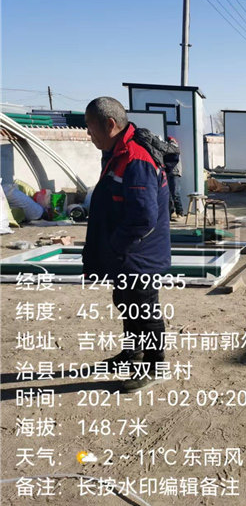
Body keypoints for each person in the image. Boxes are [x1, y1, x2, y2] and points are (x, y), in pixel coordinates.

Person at [82, 96, 171, 393]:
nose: (88, 133)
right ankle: (133, 353)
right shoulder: (115, 153)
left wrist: (114, 245)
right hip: (125, 253)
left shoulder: (135, 159)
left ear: (110, 124)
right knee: (126, 302)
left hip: (139, 254)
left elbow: (143, 218)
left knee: (144, 309)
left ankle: (155, 366)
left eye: (90, 126)